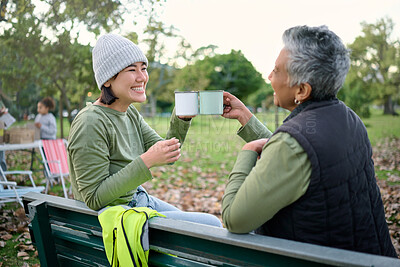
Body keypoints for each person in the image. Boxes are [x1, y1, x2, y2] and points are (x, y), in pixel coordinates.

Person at [221, 25, 397, 257]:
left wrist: (247, 151)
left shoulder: (292, 144)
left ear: (302, 90)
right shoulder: (349, 118)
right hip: (371, 258)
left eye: (276, 70)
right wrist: (245, 117)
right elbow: (296, 153)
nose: (269, 76)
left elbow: (234, 219)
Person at [67, 33, 221, 227]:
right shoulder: (90, 122)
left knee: (204, 225)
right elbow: (94, 198)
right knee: (211, 225)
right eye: (132, 70)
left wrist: (182, 119)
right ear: (107, 80)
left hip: (137, 204)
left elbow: (168, 153)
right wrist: (147, 160)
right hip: (119, 220)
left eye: (144, 68)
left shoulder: (129, 113)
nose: (142, 77)